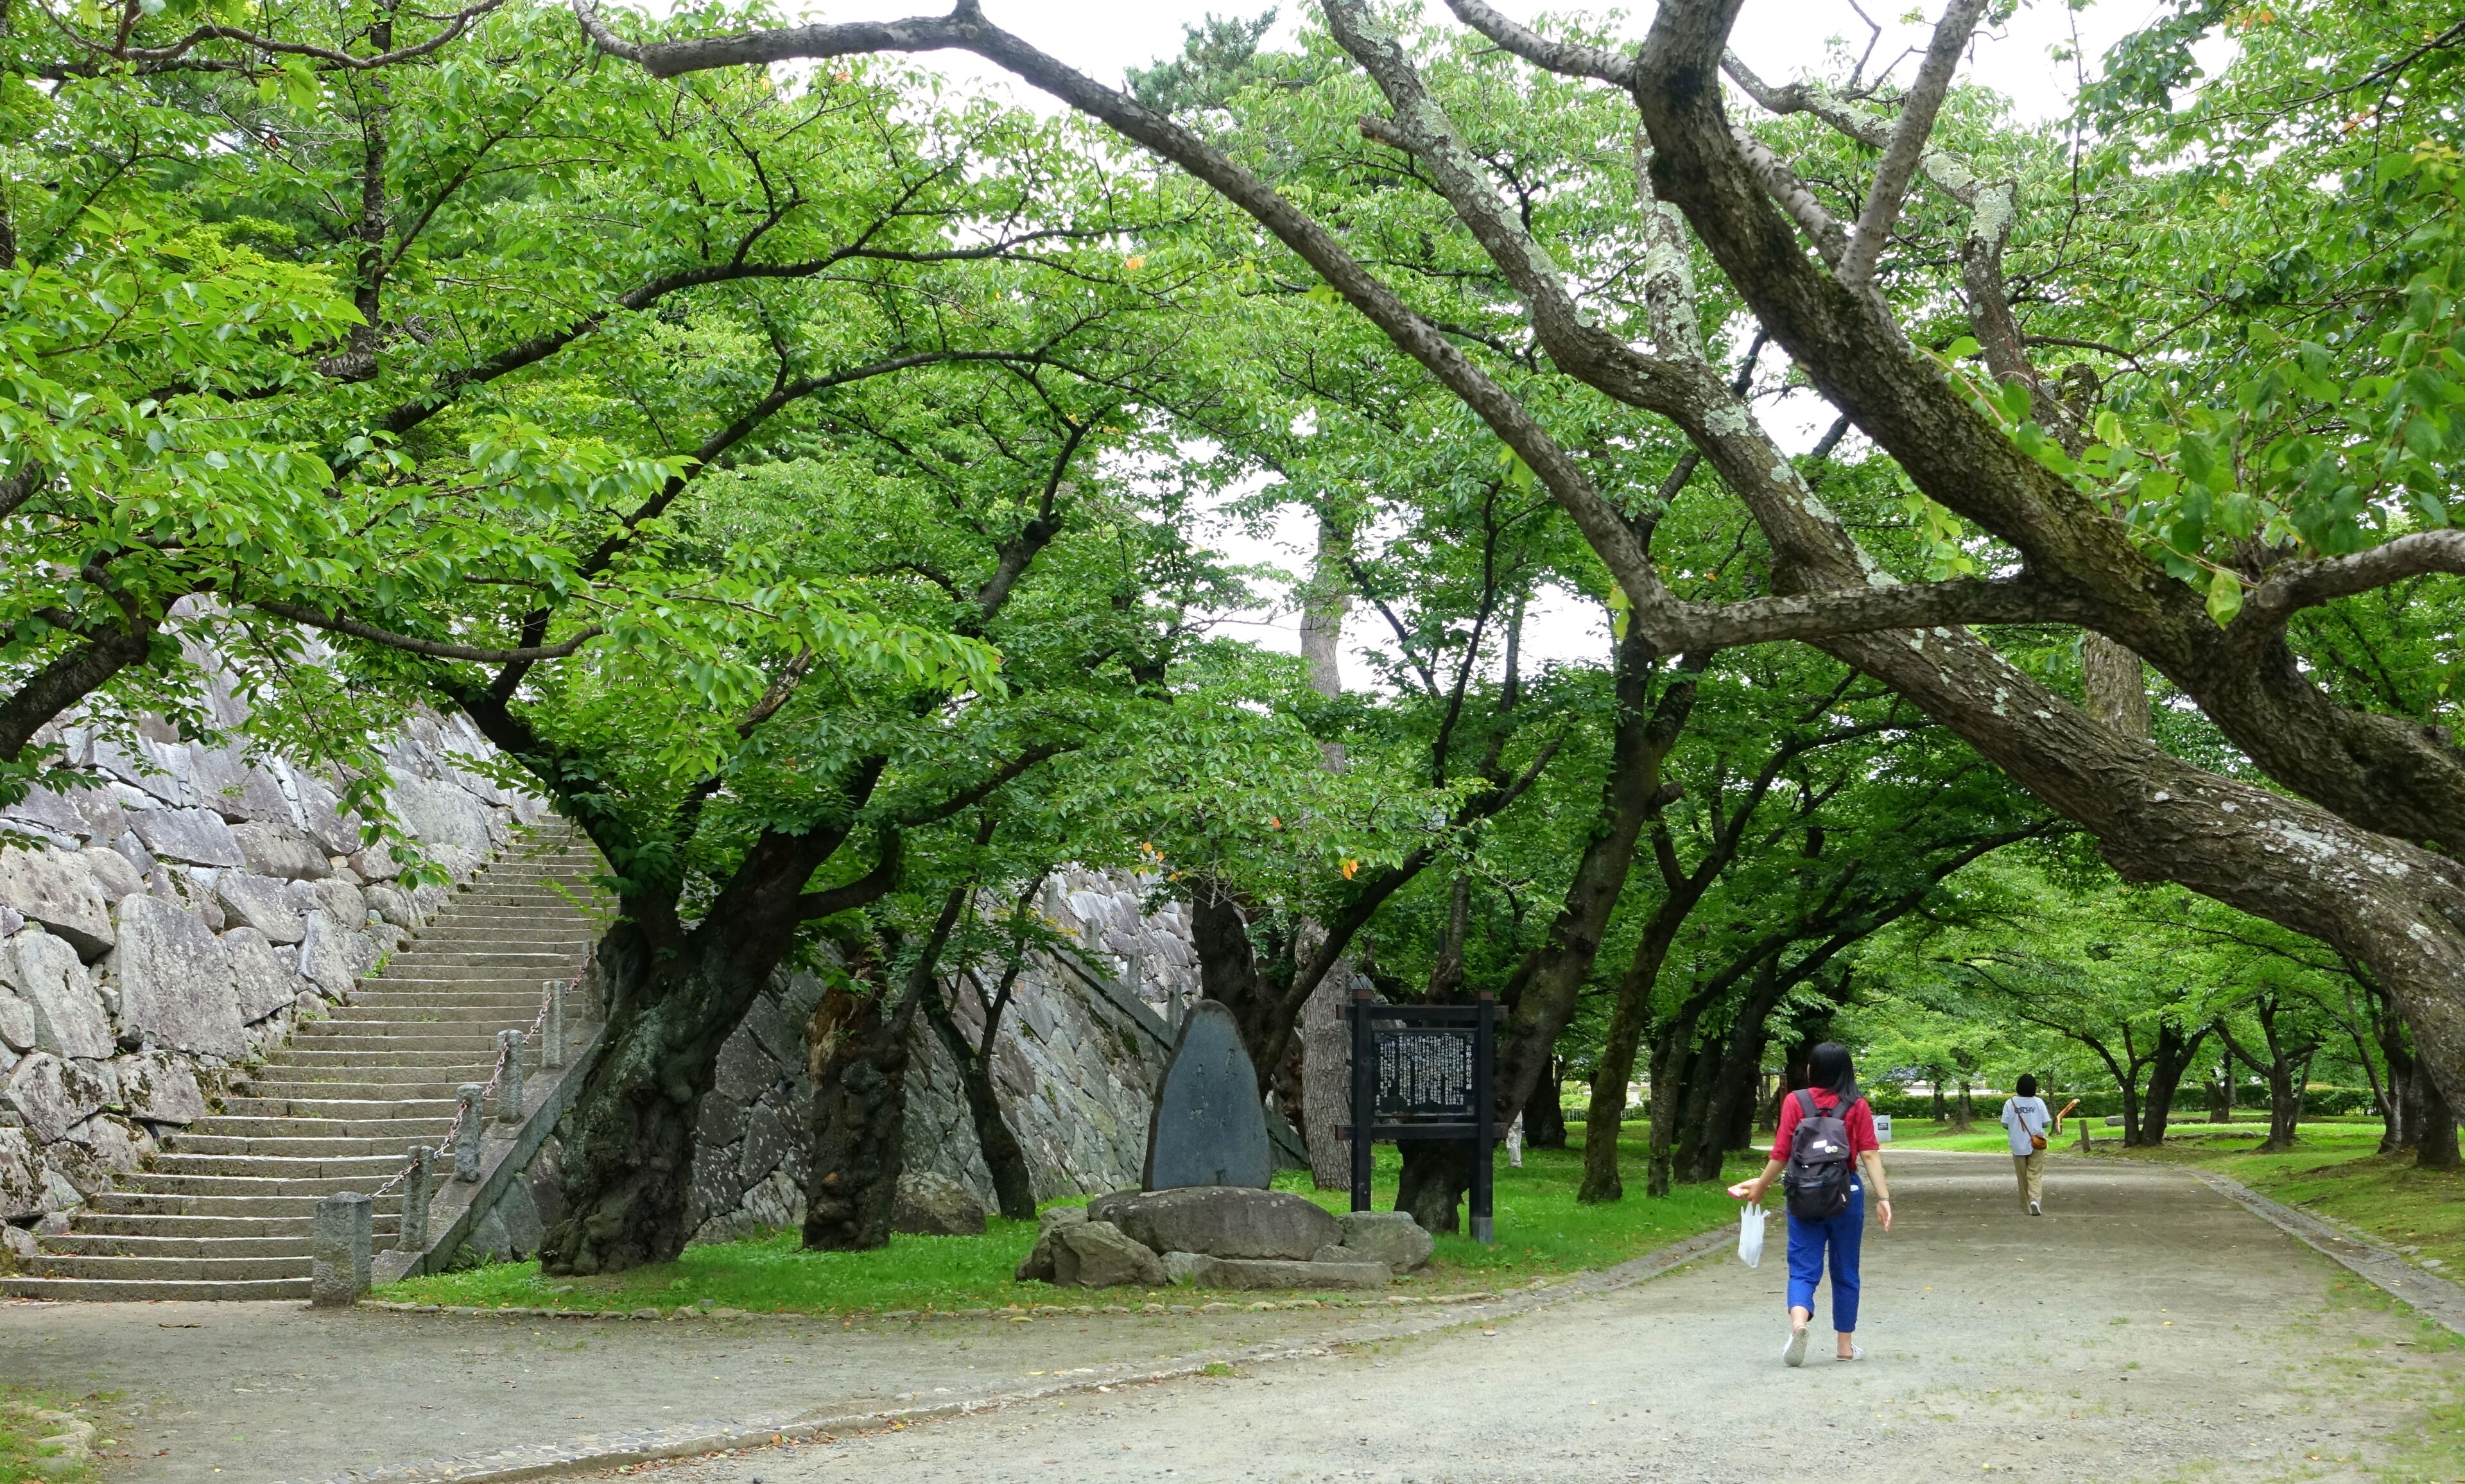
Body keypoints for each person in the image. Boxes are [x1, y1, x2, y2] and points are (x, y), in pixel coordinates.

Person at [1727, 1042, 1892, 1366]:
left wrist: (1761, 1186)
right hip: (1846, 1194)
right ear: (1847, 1070)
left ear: (1811, 1070)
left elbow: (1781, 1153)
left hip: (1803, 1194)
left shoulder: (1795, 1101)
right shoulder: (1856, 1104)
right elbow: (1870, 1154)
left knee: (1803, 1268)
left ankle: (1799, 1325)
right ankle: (1845, 1347)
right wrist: (1884, 1198)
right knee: (1846, 1270)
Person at [1998, 1075, 2071, 1214]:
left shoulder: (2010, 1103)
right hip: (2037, 1142)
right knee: (2035, 1173)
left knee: (2022, 1176)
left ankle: (2026, 1206)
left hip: (2017, 1143)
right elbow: (2046, 1123)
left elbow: (2004, 1124)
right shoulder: (2038, 1102)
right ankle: (2035, 1200)